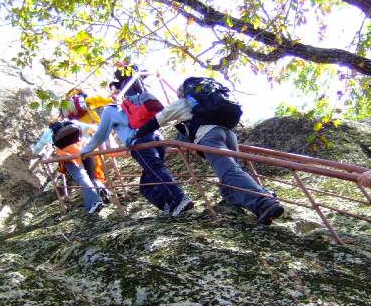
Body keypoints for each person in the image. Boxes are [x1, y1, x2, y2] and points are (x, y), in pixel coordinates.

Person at [127, 78, 285, 226]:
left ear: (183, 93)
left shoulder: (183, 103)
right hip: (229, 134)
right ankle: (237, 202)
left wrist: (135, 136)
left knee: (229, 172)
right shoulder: (211, 103)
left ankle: (264, 202)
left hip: (210, 135)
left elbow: (156, 121)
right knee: (230, 176)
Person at [80, 67, 194, 216]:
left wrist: (84, 151)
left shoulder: (110, 110)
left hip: (139, 142)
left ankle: (179, 199)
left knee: (155, 170)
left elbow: (100, 135)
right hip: (156, 137)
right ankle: (170, 206)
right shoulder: (134, 102)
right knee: (146, 185)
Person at [32, 120, 106, 214]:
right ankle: (103, 193)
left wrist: (33, 149)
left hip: (68, 157)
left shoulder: (49, 132)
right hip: (85, 150)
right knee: (92, 176)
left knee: (82, 178)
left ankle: (93, 202)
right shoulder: (72, 122)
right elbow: (93, 129)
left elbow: (36, 150)